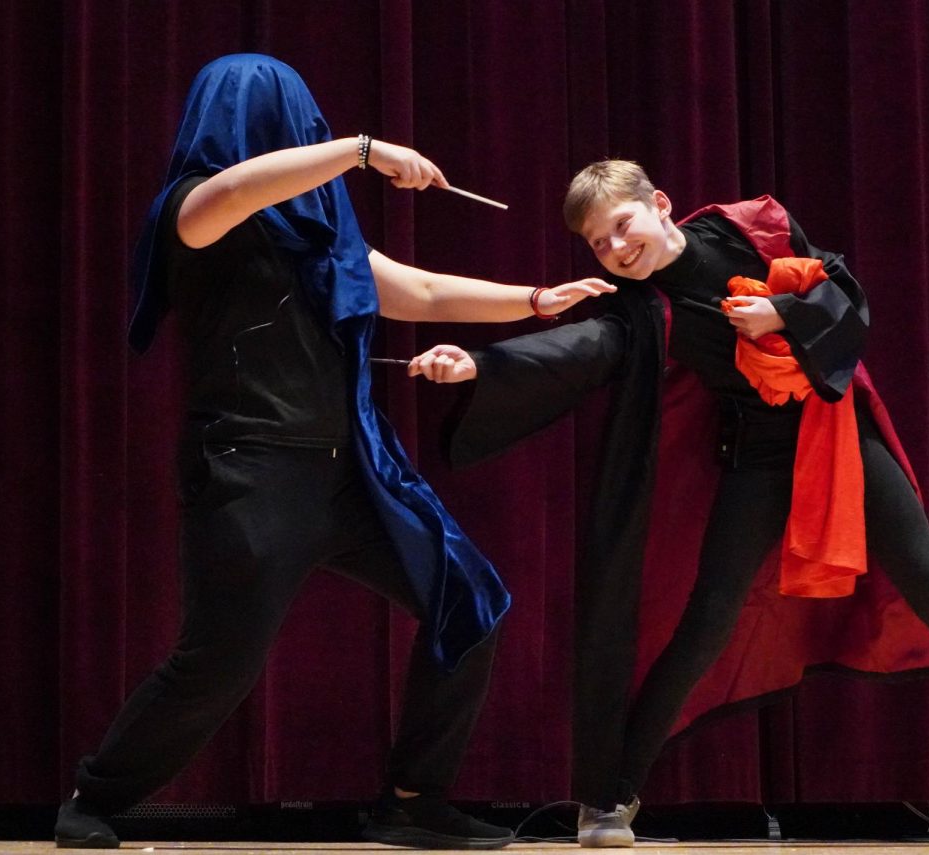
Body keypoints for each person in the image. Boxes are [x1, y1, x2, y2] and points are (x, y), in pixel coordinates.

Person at [409, 159, 929, 845]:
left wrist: (783, 311)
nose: (617, 249)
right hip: (759, 461)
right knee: (705, 625)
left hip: (836, 440)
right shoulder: (644, 308)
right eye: (598, 244)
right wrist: (480, 364)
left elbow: (846, 300)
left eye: (621, 226)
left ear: (660, 203)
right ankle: (611, 795)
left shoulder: (749, 230)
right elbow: (578, 348)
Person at [53, 54, 613, 850]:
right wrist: (363, 150)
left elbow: (410, 291)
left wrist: (531, 301)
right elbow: (241, 189)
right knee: (218, 661)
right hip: (249, 471)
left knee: (469, 599)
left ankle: (415, 798)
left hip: (350, 469)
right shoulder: (194, 209)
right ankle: (95, 794)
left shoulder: (321, 229)